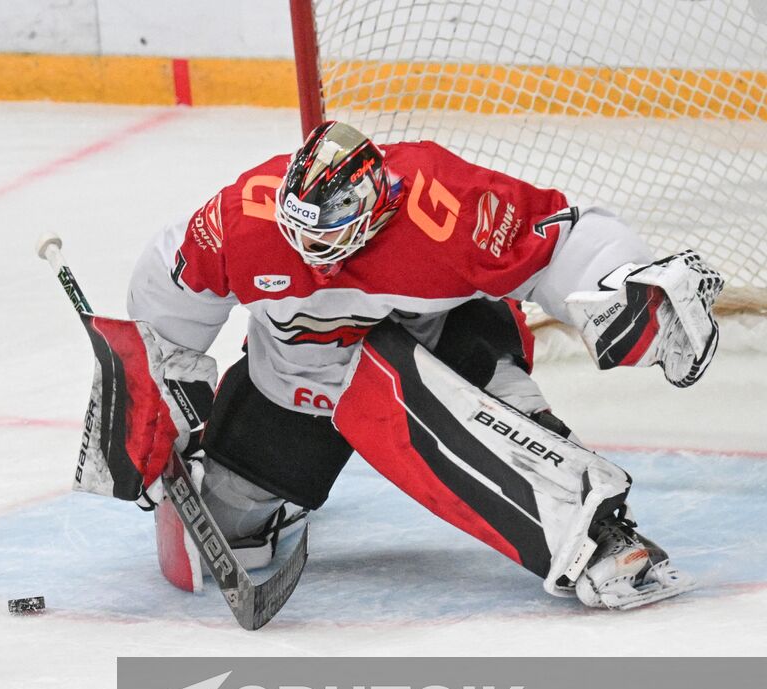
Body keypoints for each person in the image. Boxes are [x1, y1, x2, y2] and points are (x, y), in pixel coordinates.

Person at [72, 120, 724, 612]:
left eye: (329, 239)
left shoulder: (447, 208)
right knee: (216, 536)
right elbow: (167, 292)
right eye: (302, 236)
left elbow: (558, 238)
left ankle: (596, 530)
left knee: (462, 414)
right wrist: (160, 397)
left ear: (375, 205)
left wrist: (625, 284)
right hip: (300, 381)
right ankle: (268, 495)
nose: (314, 259)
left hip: (438, 360)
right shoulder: (244, 219)